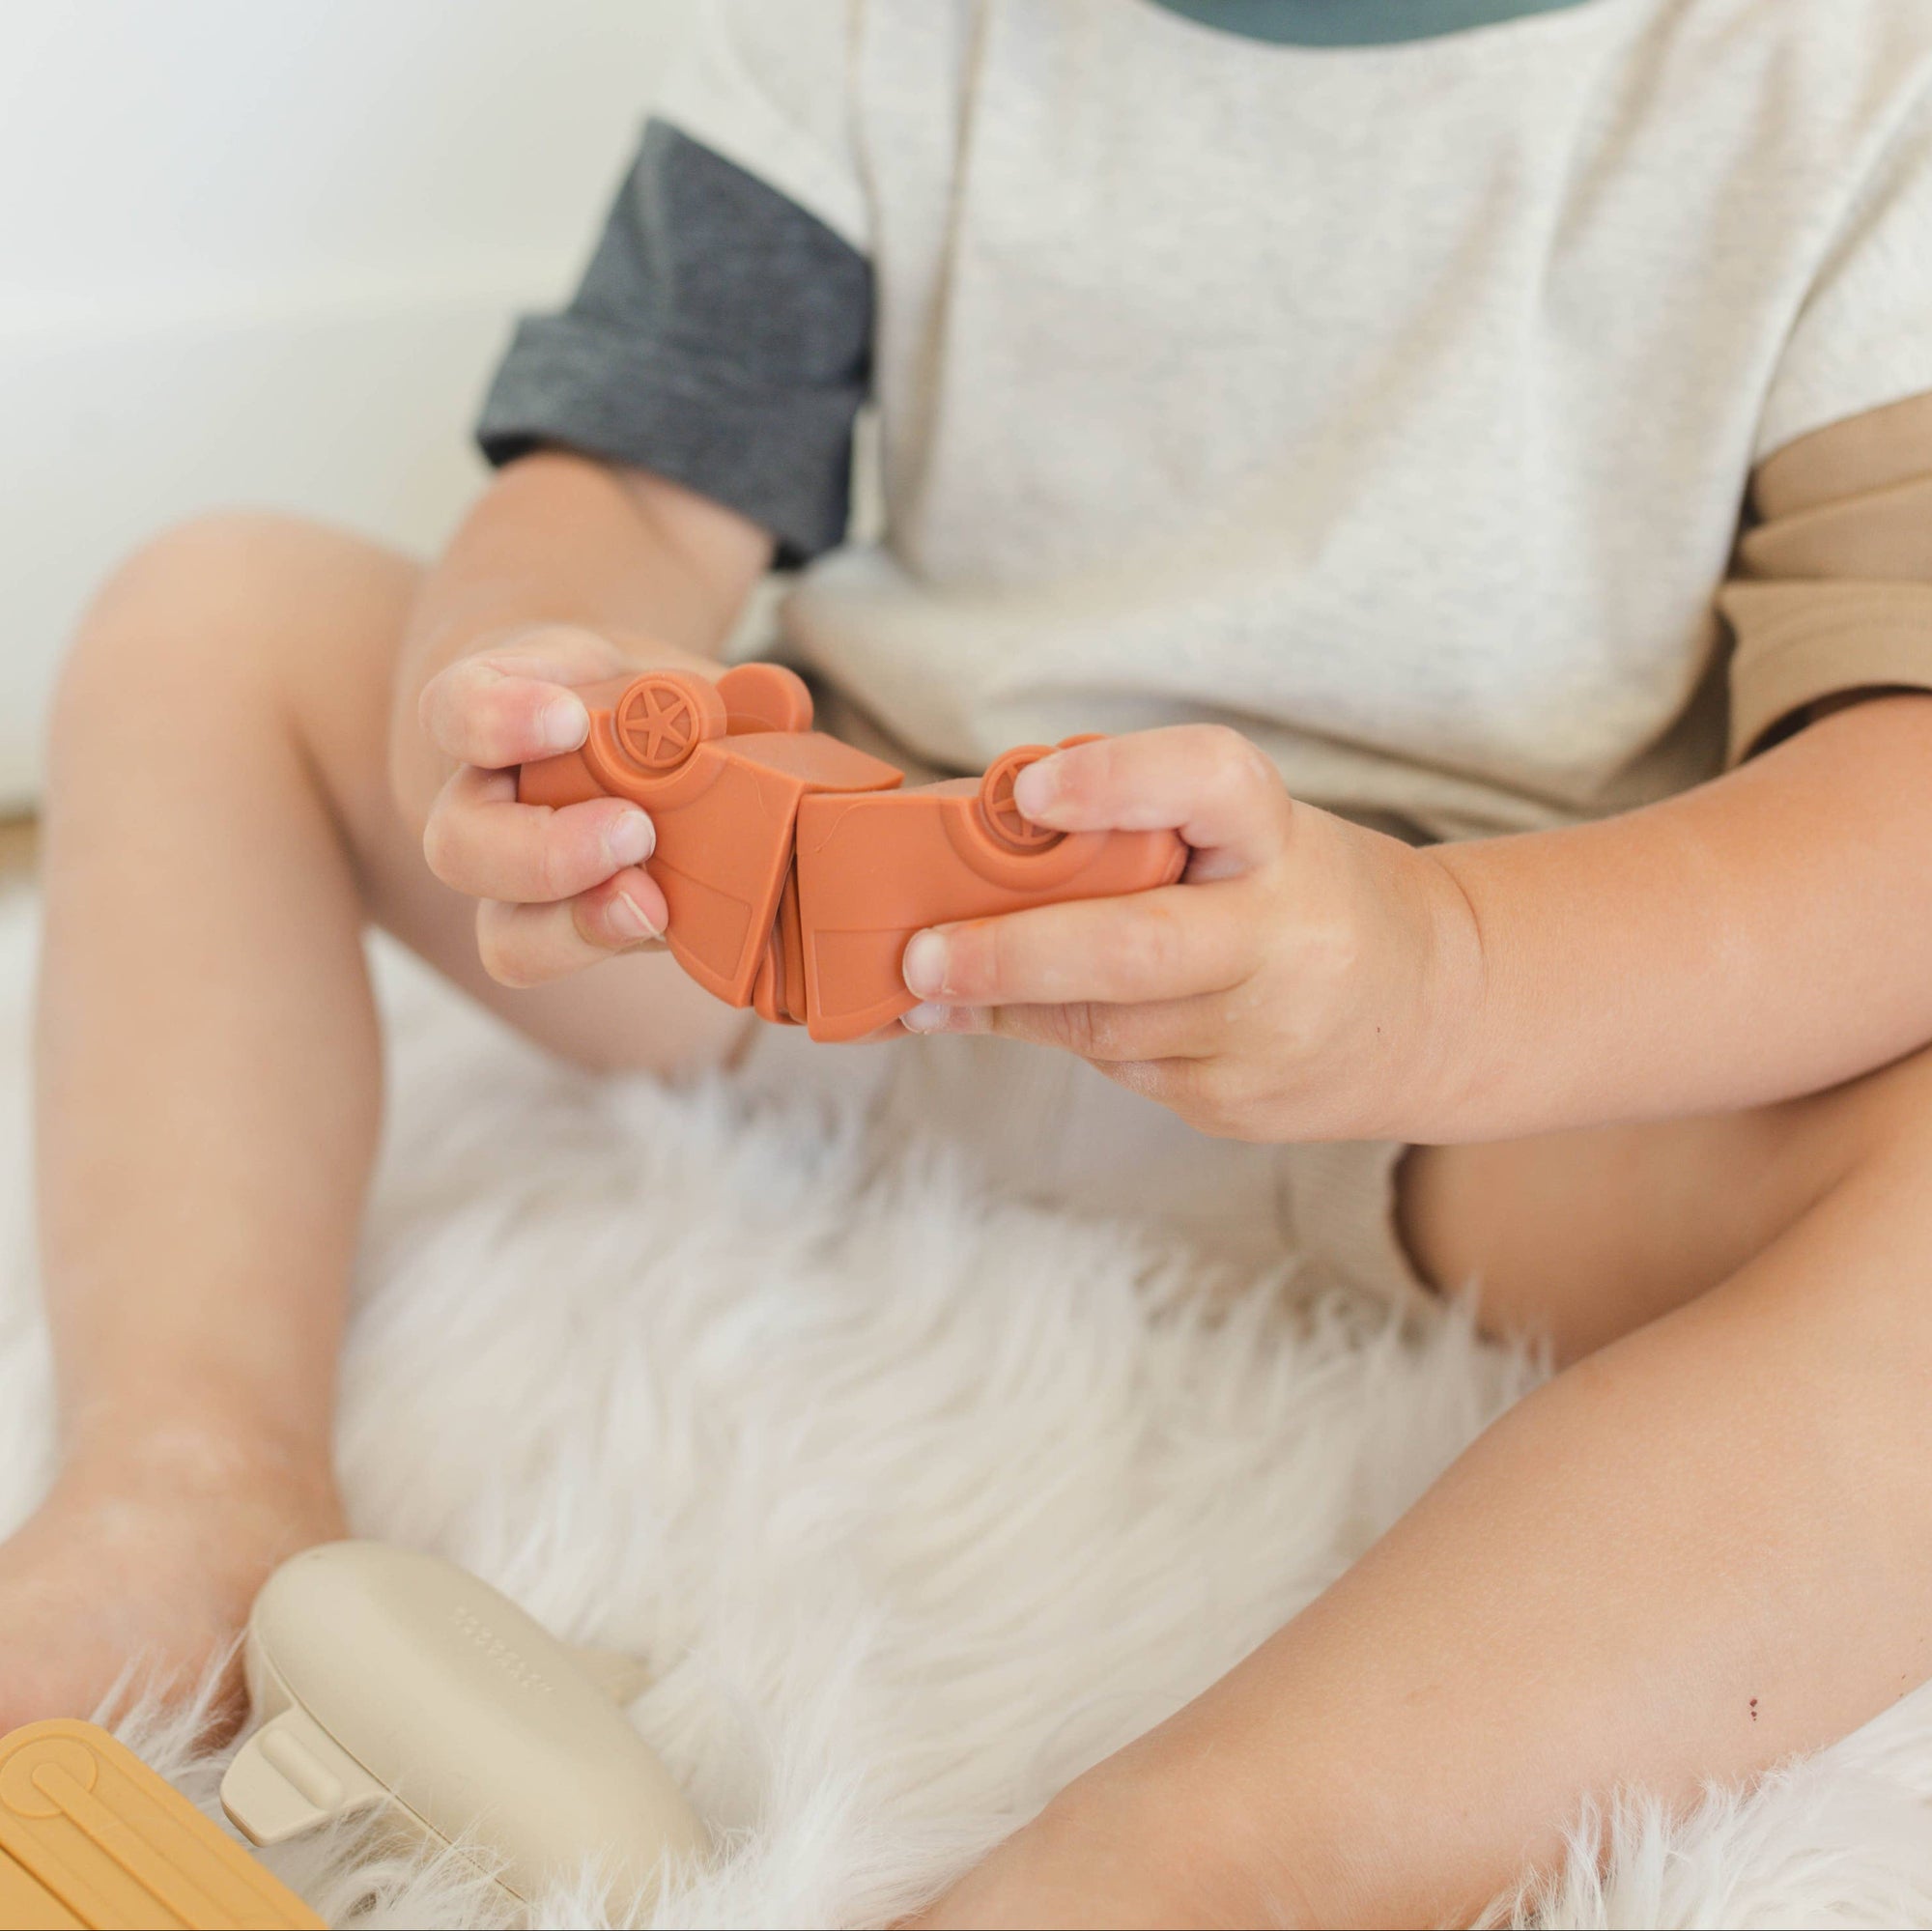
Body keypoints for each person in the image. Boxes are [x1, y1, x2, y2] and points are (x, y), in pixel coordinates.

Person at [11, 1, 1932, 1921]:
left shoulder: (1843, 86)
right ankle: (182, 1470)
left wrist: (1444, 977)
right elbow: (624, 486)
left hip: (1462, 1076)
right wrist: (548, 695)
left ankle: (1195, 1858)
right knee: (211, 624)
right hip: (835, 934)